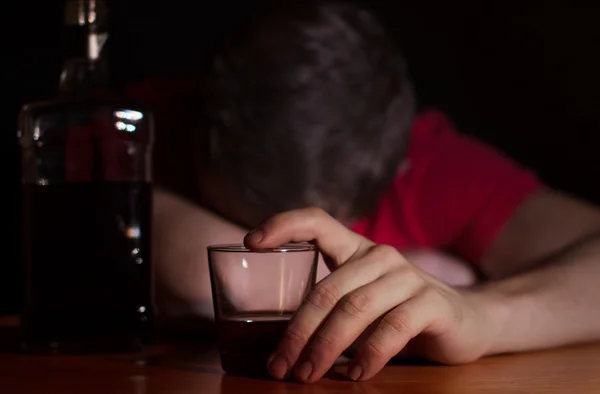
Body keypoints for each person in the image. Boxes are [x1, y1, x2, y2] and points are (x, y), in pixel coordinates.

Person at [125, 1, 600, 383]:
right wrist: (433, 272)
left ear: (399, 164)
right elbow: (185, 275)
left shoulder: (432, 166)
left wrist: (479, 314)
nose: (284, 255)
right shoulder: (136, 130)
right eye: (249, 230)